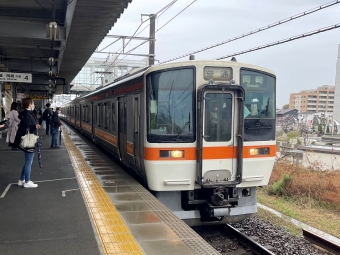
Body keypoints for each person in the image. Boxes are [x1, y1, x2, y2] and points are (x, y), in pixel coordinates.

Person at [16, 98, 41, 188]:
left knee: (27, 162)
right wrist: (35, 126)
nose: (34, 104)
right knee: (29, 162)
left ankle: (21, 180)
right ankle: (27, 182)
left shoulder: (27, 114)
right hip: (29, 141)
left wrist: (34, 126)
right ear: (29, 104)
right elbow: (26, 128)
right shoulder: (27, 115)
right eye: (33, 103)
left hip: (28, 140)